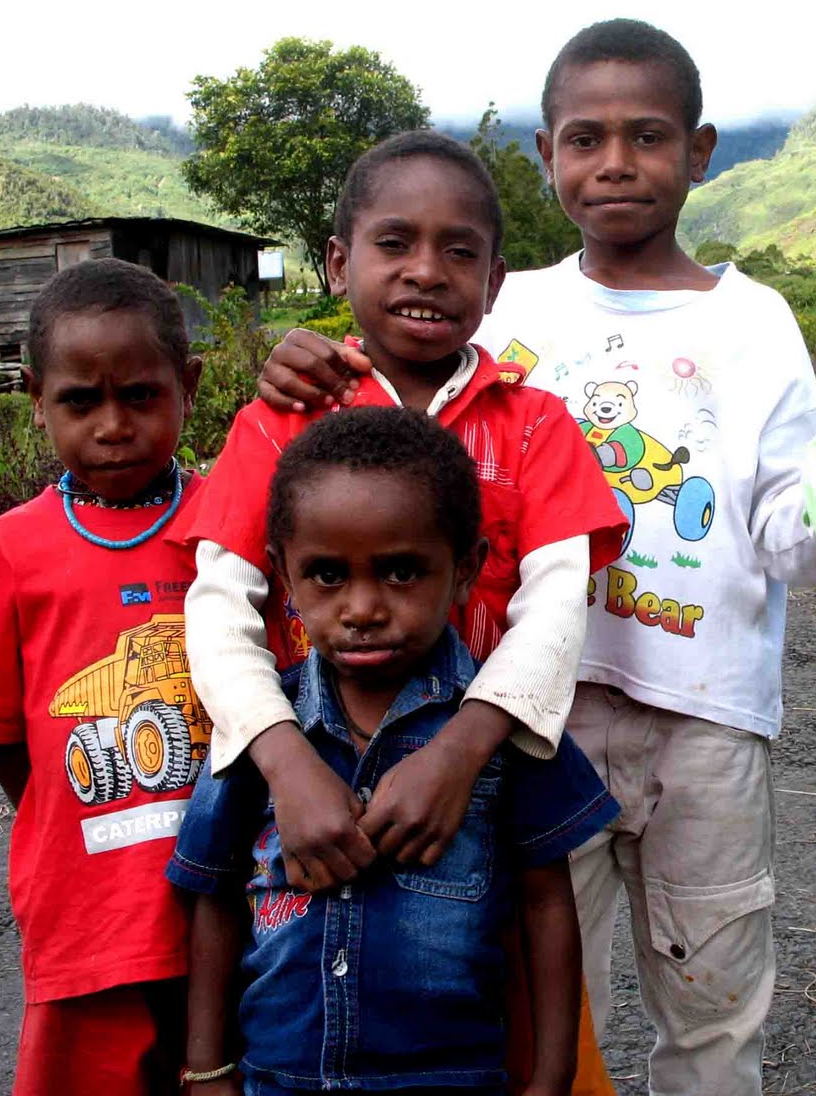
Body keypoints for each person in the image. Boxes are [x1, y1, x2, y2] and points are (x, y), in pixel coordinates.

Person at [259, 19, 816, 1095]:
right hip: (528, 717)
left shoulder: (755, 324)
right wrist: (302, 358)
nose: (616, 162)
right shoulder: (505, 300)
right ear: (546, 156)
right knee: (540, 991)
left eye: (648, 137)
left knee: (710, 999)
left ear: (701, 152)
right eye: (586, 137)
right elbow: (388, 392)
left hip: (704, 715)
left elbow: (794, 527)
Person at [174, 130, 625, 1092]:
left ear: (496, 280)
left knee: (503, 1006)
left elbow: (555, 610)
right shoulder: (280, 417)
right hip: (310, 769)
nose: (427, 270)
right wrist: (285, 762)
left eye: (459, 250)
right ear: (338, 262)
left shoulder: (536, 425)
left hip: (490, 782)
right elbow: (218, 606)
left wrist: (461, 752)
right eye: (394, 242)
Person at [168, 407, 616, 1094]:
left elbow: (547, 905)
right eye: (326, 575)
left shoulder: (504, 737)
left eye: (402, 573)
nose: (363, 607)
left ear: (465, 570)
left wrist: (552, 1077)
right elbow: (216, 895)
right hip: (281, 1079)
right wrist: (207, 1067)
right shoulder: (258, 735)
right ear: (283, 577)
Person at [0, 258, 207, 1095]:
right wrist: (83, 816)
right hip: (90, 904)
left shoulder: (229, 523)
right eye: (81, 402)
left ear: (187, 386)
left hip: (232, 899)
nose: (113, 425)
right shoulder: (5, 554)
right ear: (36, 399)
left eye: (142, 395)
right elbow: (8, 746)